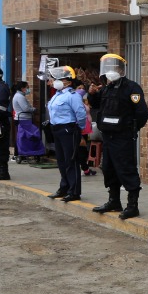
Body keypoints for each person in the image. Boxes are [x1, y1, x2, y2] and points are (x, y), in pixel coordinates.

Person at [87, 54, 148, 220]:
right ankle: (114, 201)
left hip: (123, 138)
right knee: (108, 169)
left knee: (126, 169)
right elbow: (96, 104)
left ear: (121, 69)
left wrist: (131, 130)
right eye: (107, 69)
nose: (110, 72)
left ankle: (132, 206)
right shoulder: (106, 88)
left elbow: (142, 112)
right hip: (108, 137)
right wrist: (91, 94)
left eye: (114, 68)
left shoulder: (132, 88)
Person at [45, 67, 87, 203]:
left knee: (71, 161)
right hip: (57, 130)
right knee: (61, 161)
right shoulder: (57, 95)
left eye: (59, 79)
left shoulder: (72, 96)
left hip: (69, 130)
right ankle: (64, 187)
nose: (55, 81)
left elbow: (81, 114)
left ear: (68, 82)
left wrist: (78, 130)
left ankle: (74, 191)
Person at [10, 80, 35, 163]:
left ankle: (20, 154)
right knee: (22, 137)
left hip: (22, 118)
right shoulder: (19, 97)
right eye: (27, 87)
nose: (28, 89)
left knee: (21, 137)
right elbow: (26, 109)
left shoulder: (19, 96)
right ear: (22, 88)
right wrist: (33, 109)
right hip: (23, 119)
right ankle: (18, 154)